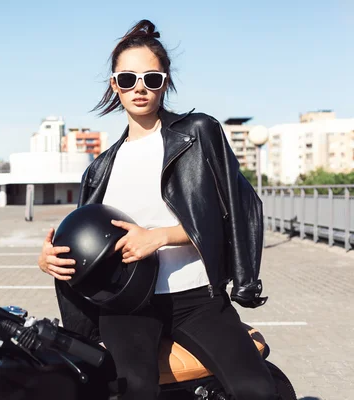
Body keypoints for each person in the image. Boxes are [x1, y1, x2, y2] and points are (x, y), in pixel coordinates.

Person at [38, 19, 278, 399]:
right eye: (128, 78)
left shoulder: (198, 134)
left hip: (196, 296)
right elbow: (86, 241)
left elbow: (237, 209)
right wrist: (51, 259)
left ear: (165, 82)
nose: (140, 88)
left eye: (151, 79)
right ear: (114, 84)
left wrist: (160, 237)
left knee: (257, 390)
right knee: (134, 392)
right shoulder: (100, 167)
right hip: (127, 304)